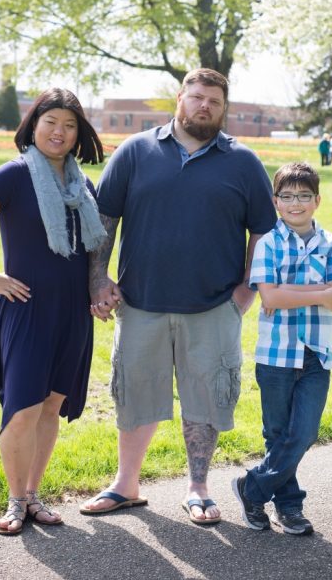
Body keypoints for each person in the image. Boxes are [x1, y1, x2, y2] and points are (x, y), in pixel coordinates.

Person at [79, 68, 277, 525]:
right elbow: (104, 219)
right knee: (134, 391)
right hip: (141, 301)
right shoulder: (136, 152)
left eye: (214, 101)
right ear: (179, 99)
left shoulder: (243, 162)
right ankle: (126, 485)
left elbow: (263, 232)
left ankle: (199, 488)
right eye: (197, 97)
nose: (204, 106)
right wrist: (97, 277)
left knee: (206, 397)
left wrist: (244, 292)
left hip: (213, 306)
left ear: (224, 109)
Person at [0, 88, 106, 536]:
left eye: (70, 125)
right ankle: (15, 501)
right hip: (26, 310)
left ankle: (34, 495)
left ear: (79, 134)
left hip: (73, 313)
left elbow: (90, 251)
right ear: (33, 125)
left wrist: (99, 289)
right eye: (51, 121)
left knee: (52, 406)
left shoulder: (81, 185)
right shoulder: (14, 176)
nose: (60, 132)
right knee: (22, 409)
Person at [230, 161, 332, 536]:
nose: (295, 203)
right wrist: (317, 294)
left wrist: (288, 295)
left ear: (317, 200)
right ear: (275, 201)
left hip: (316, 354)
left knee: (304, 434)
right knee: (278, 435)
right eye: (286, 196)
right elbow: (270, 295)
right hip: (277, 356)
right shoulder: (267, 243)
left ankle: (253, 487)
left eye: (303, 196)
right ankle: (290, 506)